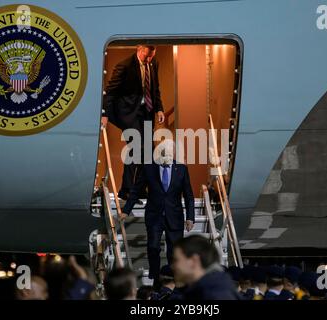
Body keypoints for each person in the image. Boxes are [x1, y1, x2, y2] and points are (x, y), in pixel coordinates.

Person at [123, 139, 195, 281]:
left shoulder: (181, 169)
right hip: (155, 216)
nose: (170, 154)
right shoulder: (149, 168)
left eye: (172, 151)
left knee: (174, 252)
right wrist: (126, 210)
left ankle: (174, 280)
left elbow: (189, 196)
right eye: (167, 151)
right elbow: (136, 191)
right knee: (153, 247)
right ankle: (156, 278)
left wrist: (190, 217)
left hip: (174, 216)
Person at [102, 45, 165, 200]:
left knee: (148, 151)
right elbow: (111, 91)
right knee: (136, 148)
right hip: (129, 113)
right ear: (140, 50)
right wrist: (104, 113)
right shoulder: (125, 66)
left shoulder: (153, 63)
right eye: (147, 56)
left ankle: (140, 189)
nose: (149, 59)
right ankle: (127, 190)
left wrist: (159, 109)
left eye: (152, 56)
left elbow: (155, 88)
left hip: (147, 112)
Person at [172, 235, 241, 300]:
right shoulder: (204, 290)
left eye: (176, 260)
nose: (172, 266)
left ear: (194, 260)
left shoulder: (215, 294)